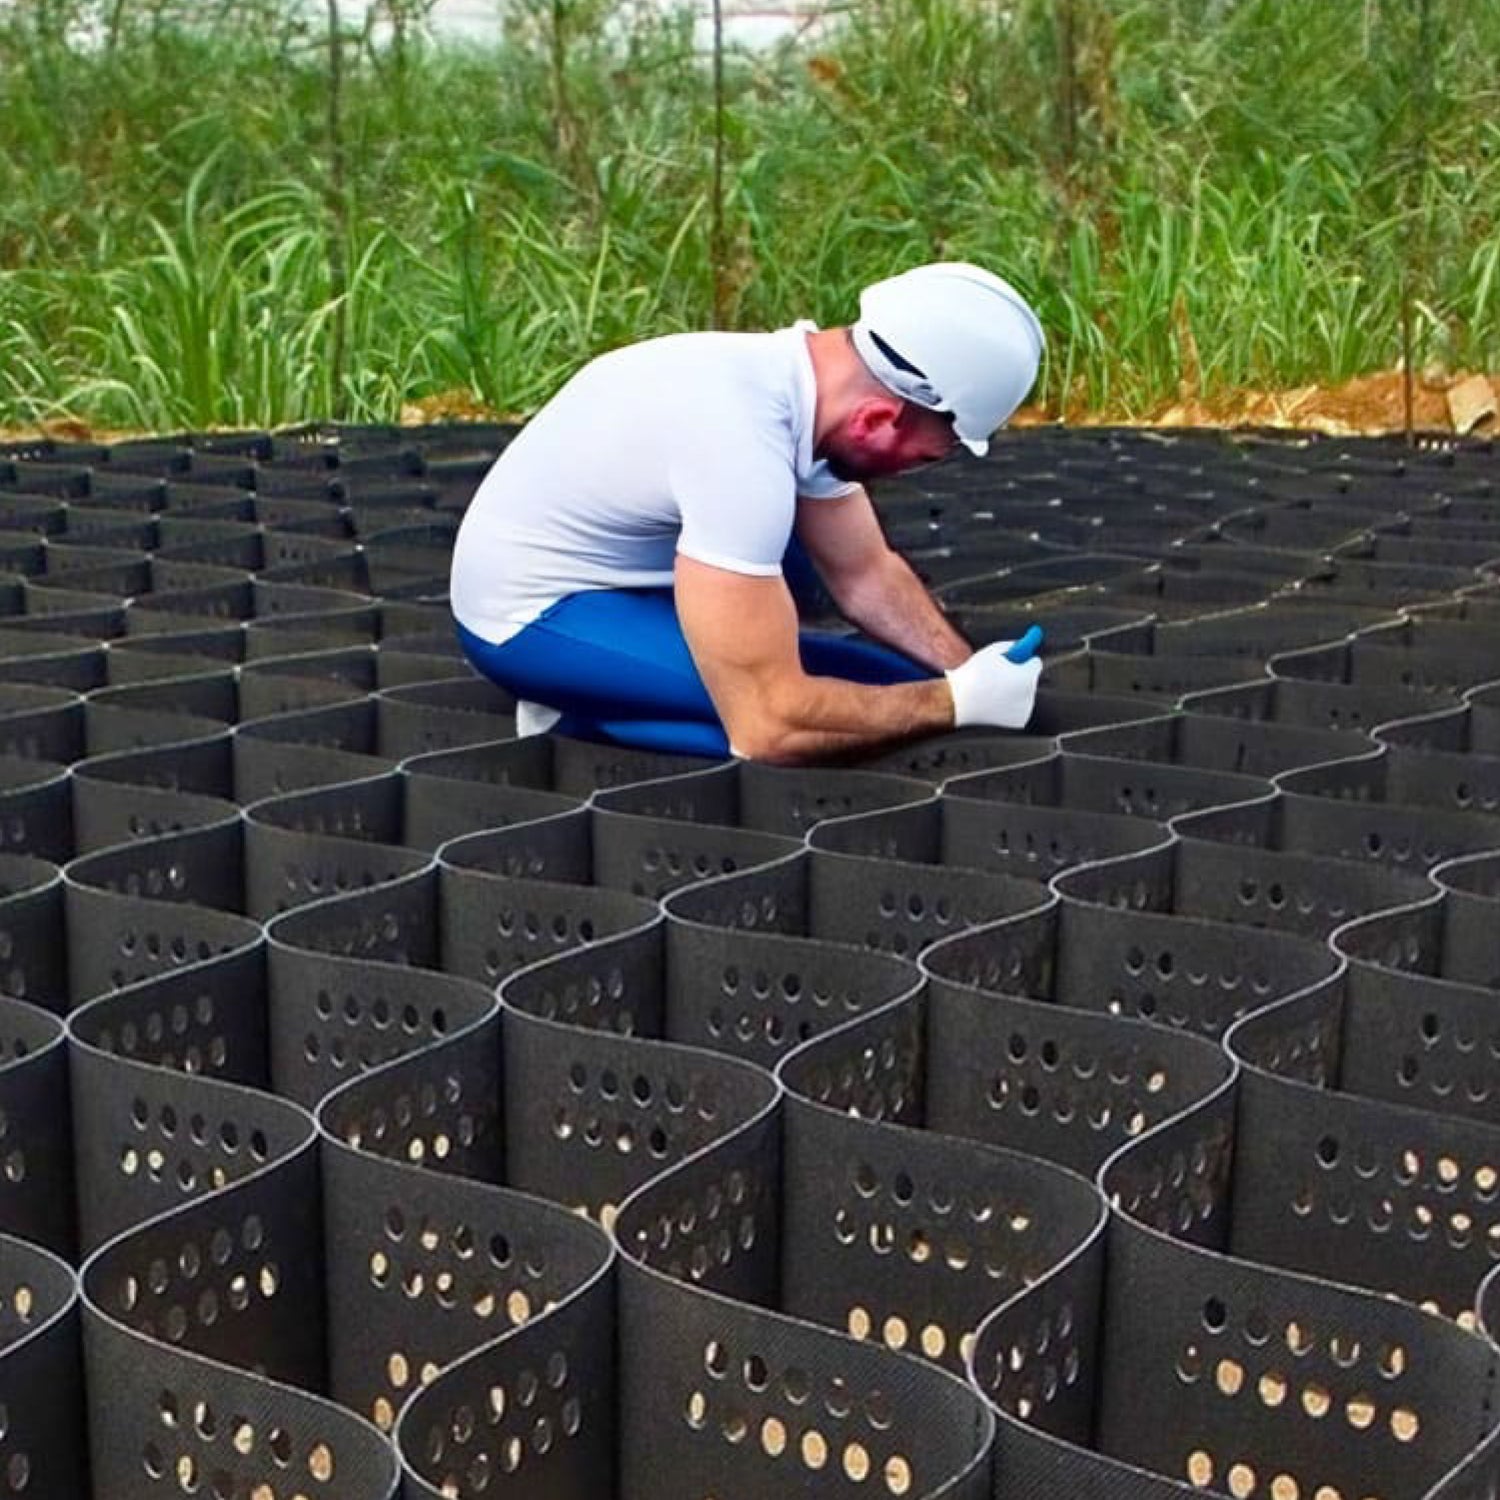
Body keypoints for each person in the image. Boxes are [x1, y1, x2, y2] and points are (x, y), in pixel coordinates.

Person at [449, 260, 1046, 764]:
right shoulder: (739, 444)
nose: (921, 469)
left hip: (637, 580)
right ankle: (575, 716)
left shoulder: (804, 384)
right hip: (530, 617)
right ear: (877, 420)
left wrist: (969, 670)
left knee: (883, 691)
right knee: (828, 738)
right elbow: (767, 726)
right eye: (928, 456)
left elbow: (865, 572)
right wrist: (954, 705)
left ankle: (634, 686)